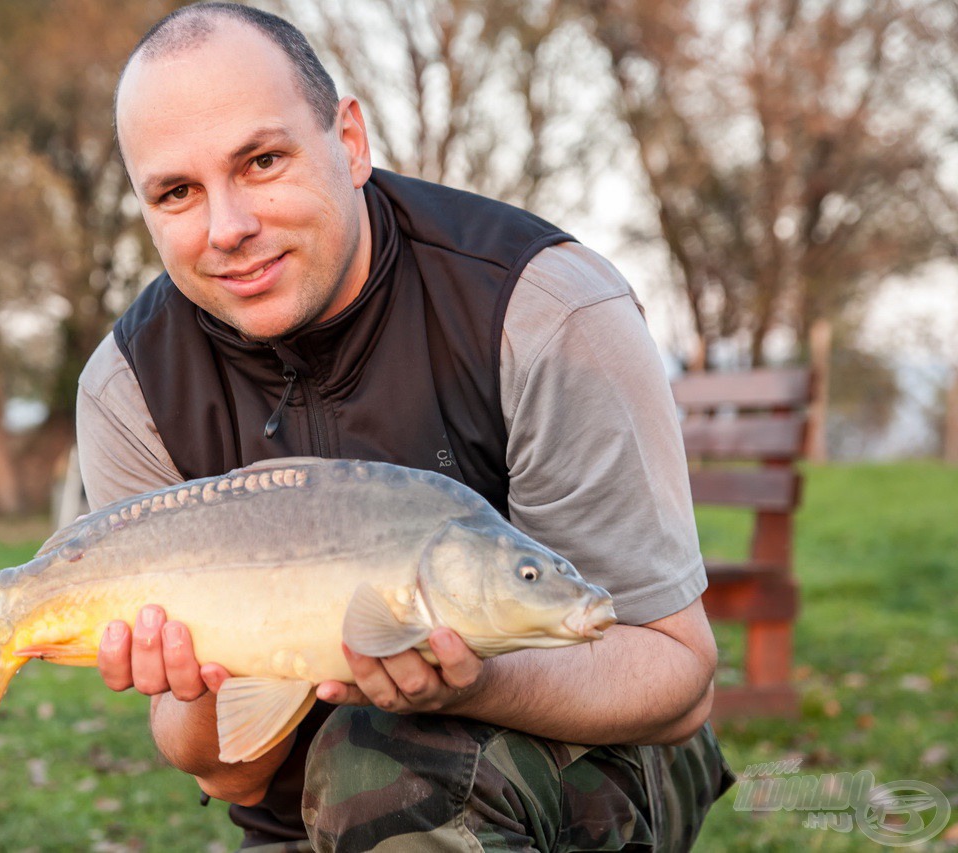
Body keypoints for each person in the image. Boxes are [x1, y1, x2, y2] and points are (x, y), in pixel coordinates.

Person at [76, 3, 733, 850]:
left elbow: (677, 679)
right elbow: (221, 769)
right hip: (298, 812)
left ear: (349, 140)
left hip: (593, 757)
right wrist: (193, 688)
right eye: (177, 191)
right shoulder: (128, 385)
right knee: (357, 772)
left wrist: (465, 679)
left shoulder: (544, 311)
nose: (228, 228)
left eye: (263, 160)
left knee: (377, 759)